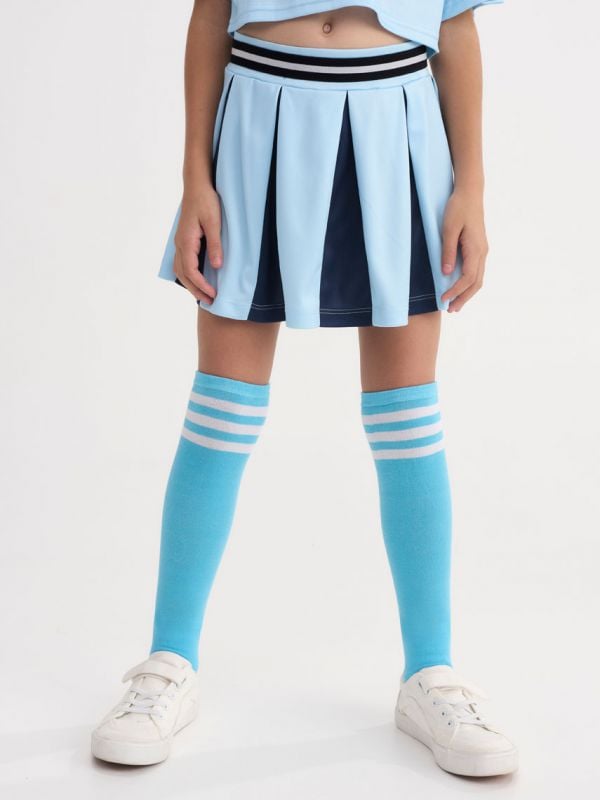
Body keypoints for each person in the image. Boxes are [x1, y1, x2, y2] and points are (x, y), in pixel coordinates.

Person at [91, 0, 518, 777]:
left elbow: (455, 27)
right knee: (221, 408)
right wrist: (195, 177)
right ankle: (168, 662)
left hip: (398, 131)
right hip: (257, 125)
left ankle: (431, 671)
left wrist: (472, 189)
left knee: (408, 416)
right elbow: (210, 14)